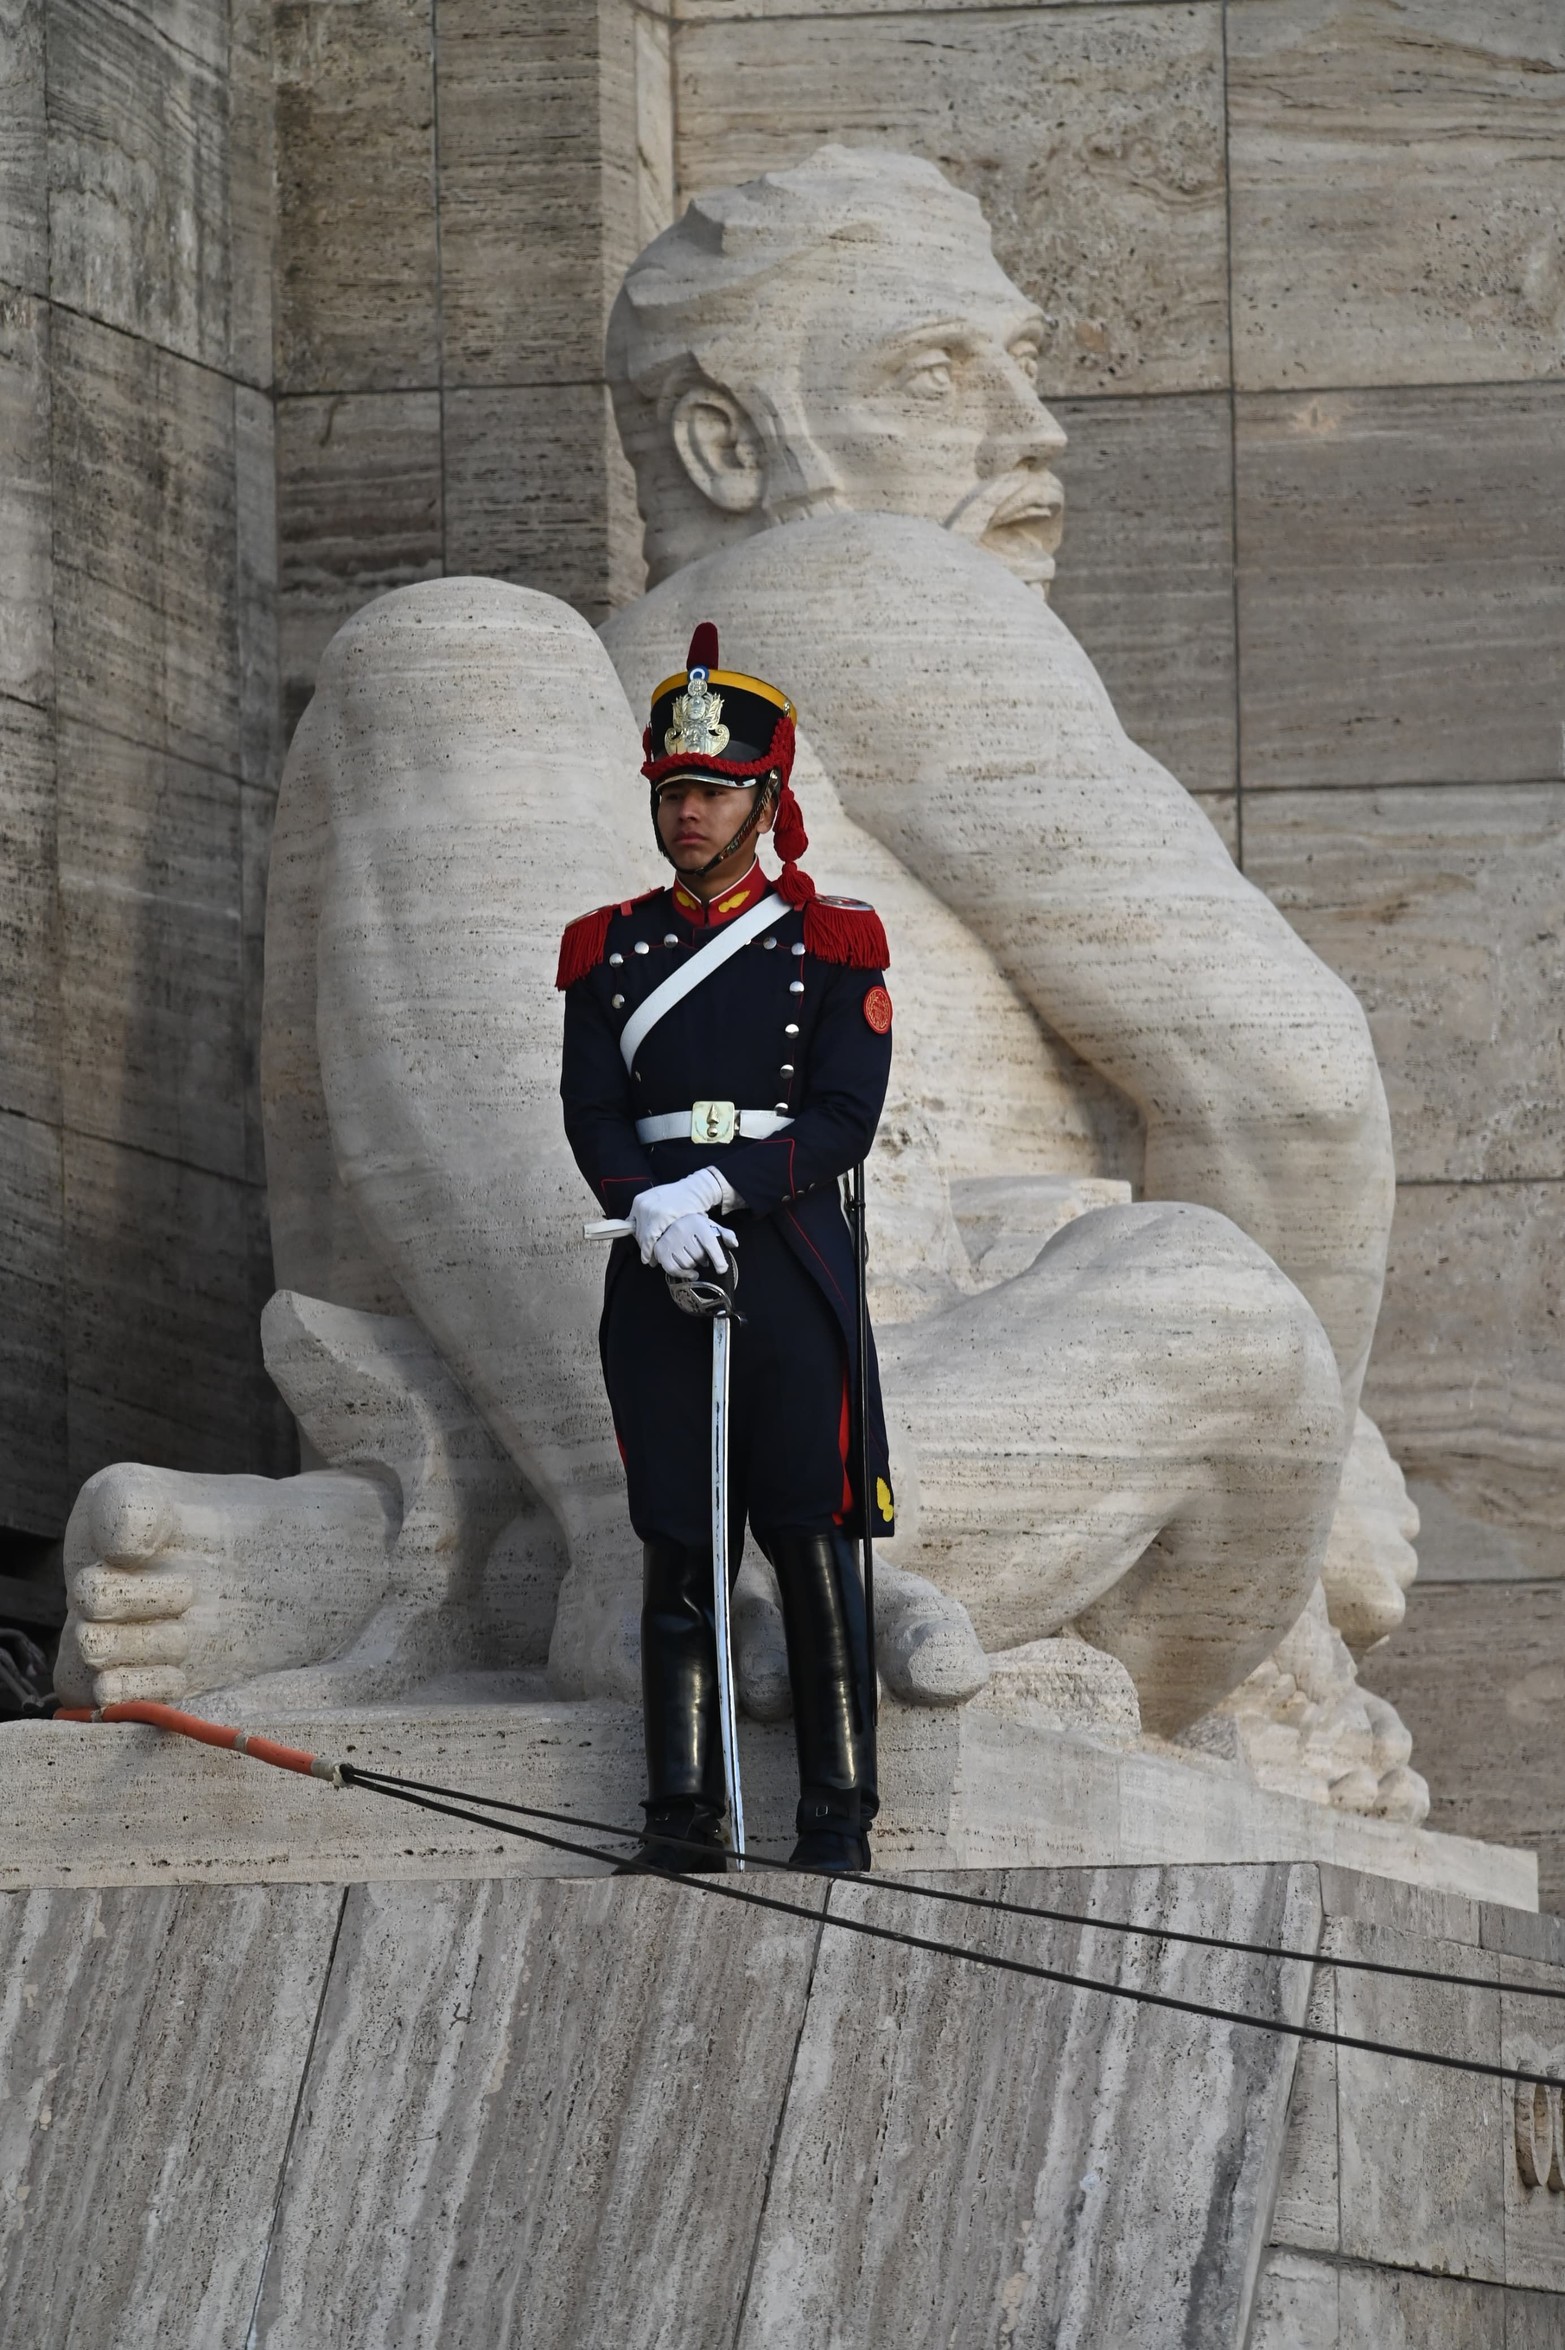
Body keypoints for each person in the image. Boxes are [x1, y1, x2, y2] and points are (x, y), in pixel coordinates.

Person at [558, 623, 896, 1873]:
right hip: (656, 1265)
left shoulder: (834, 941)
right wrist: (646, 1202)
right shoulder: (609, 951)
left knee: (812, 1532)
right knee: (678, 1538)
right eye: (671, 792)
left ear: (765, 799)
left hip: (788, 1266)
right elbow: (593, 1107)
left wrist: (718, 1184)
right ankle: (681, 1809)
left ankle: (836, 1809)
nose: (686, 812)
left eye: (709, 792)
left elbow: (844, 1120)